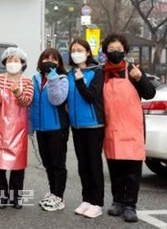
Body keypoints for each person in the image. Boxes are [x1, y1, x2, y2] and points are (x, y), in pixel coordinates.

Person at [100, 33, 156, 223]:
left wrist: (141, 79)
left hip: (132, 128)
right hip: (112, 128)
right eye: (111, 49)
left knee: (132, 170)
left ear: (125, 51)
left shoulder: (133, 70)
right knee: (115, 168)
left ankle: (131, 205)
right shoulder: (103, 72)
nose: (115, 52)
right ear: (105, 52)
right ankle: (118, 202)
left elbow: (150, 93)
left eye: (119, 49)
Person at [0, 47, 34, 209]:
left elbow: (26, 102)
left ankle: (15, 197)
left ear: (22, 63)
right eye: (10, 60)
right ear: (5, 62)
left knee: (17, 165)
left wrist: (17, 92)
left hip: (18, 130)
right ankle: (1, 196)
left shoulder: (27, 81)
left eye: (16, 60)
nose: (13, 63)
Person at [67, 38, 105, 219]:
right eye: (73, 50)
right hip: (77, 125)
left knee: (94, 164)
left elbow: (91, 97)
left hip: (93, 124)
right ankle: (87, 199)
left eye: (79, 50)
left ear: (88, 52)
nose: (76, 53)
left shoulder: (96, 72)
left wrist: (81, 82)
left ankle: (97, 202)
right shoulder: (70, 73)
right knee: (82, 164)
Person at [31, 48, 69, 212]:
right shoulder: (36, 78)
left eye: (54, 59)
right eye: (46, 58)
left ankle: (59, 196)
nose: (49, 61)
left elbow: (56, 100)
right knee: (47, 162)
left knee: (57, 163)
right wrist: (30, 126)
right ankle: (52, 191)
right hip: (41, 128)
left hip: (56, 128)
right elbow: (31, 104)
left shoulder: (62, 79)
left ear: (59, 63)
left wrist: (52, 78)